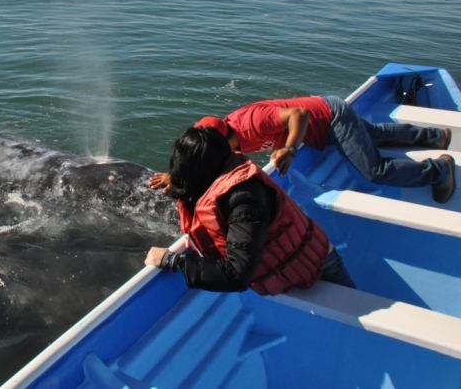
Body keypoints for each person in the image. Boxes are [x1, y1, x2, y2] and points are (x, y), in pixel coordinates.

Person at [145, 126, 355, 294]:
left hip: (320, 266)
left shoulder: (244, 200)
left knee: (354, 328)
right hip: (288, 268)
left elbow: (237, 275)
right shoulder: (225, 172)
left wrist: (172, 260)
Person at [150, 96, 455, 203]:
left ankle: (439, 169)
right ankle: (434, 136)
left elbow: (299, 115)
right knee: (372, 134)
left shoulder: (250, 123)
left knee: (374, 170)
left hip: (329, 116)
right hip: (326, 120)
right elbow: (206, 165)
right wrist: (176, 177)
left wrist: (291, 149)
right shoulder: (227, 144)